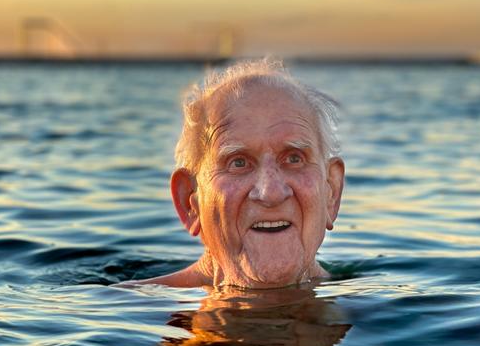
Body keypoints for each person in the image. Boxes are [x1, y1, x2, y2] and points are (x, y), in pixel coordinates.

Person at [128, 58, 345, 289]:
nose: (270, 193)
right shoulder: (130, 313)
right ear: (190, 203)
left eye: (294, 159)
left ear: (331, 192)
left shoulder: (369, 307)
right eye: (238, 163)